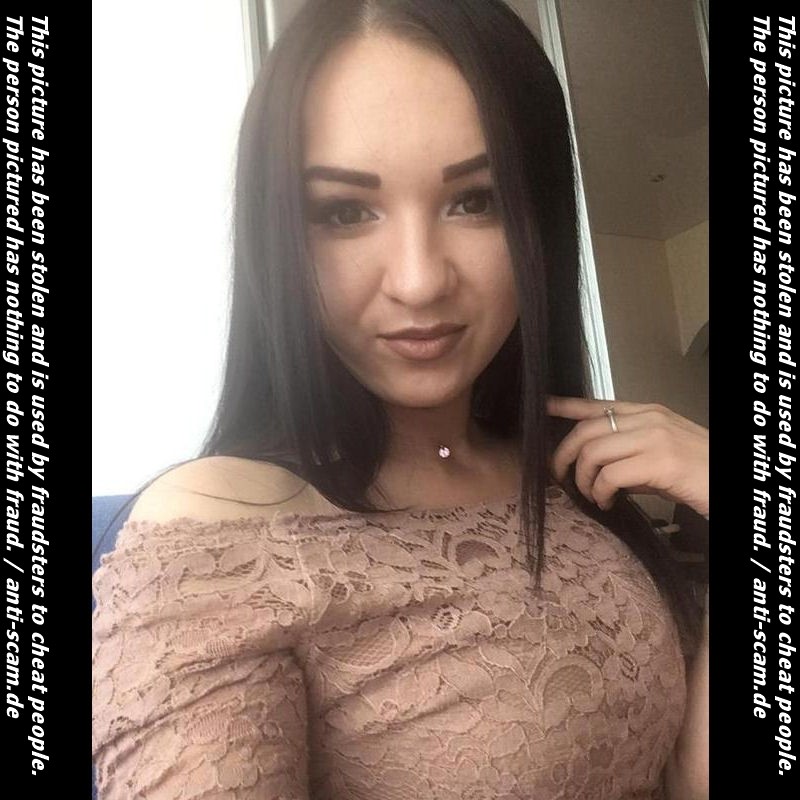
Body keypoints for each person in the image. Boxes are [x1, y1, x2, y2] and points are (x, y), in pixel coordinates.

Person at [91, 1, 709, 797]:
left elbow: (679, 775)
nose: (419, 281)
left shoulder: (565, 478)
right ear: (280, 237)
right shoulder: (221, 534)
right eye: (345, 212)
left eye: (475, 199)